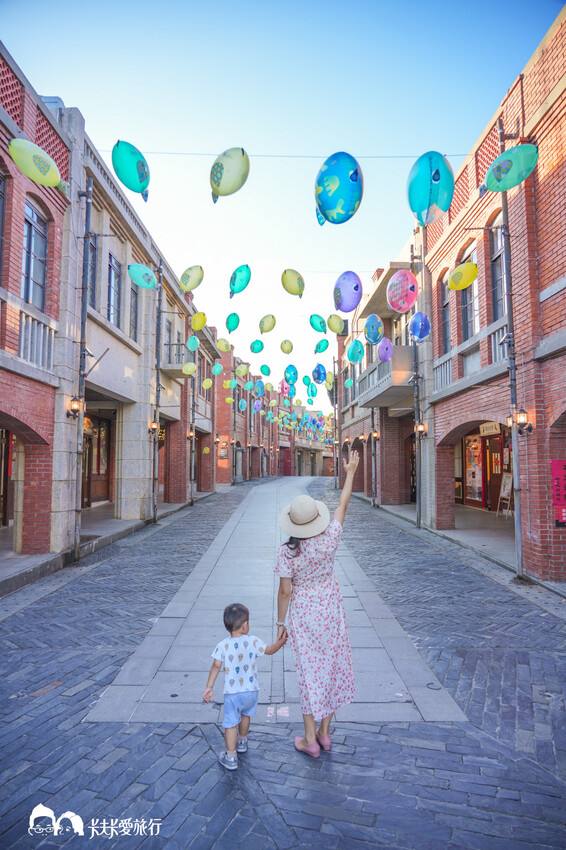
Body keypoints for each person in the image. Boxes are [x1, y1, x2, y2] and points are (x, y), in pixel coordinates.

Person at [275, 449, 360, 757]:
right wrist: (350, 472)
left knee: (309, 672)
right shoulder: (330, 539)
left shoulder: (287, 553)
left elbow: (285, 592)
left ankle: (310, 738)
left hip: (303, 614)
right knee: (331, 667)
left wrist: (280, 624)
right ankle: (325, 733)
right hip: (330, 609)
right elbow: (343, 504)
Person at [203, 602, 287, 770]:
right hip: (251, 691)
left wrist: (209, 687)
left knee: (230, 723)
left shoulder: (222, 645)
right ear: (245, 625)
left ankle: (231, 756)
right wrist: (281, 642)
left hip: (233, 693)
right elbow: (269, 650)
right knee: (245, 715)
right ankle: (242, 741)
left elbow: (216, 666)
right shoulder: (253, 641)